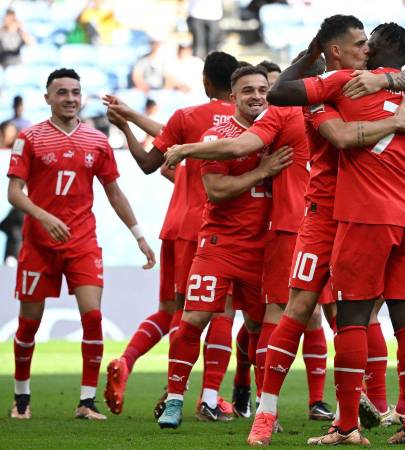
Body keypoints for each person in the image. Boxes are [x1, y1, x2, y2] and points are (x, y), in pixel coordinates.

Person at [266, 20, 405, 445]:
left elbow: (278, 94)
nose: (363, 50)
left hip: (366, 217)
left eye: (368, 45)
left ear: (376, 51)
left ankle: (348, 426)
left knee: (351, 321)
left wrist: (315, 52)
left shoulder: (347, 84)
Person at [7, 68, 155, 420]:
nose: (70, 98)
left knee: (92, 317)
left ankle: (86, 402)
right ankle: (21, 397)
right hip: (38, 244)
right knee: (29, 323)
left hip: (82, 242)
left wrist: (139, 236)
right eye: (62, 93)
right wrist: (44, 216)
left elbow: (114, 192)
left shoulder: (97, 142)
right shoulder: (29, 138)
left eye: (75, 92)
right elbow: (14, 193)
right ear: (47, 98)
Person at [102, 52, 240, 421]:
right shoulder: (249, 121)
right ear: (238, 83)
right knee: (222, 312)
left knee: (173, 312)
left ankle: (131, 363)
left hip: (176, 227)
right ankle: (208, 397)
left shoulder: (187, 118)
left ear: (206, 82)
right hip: (218, 231)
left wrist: (128, 125)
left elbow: (154, 164)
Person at [156, 65, 293, 430]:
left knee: (261, 327)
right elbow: (215, 190)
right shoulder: (218, 135)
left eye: (262, 89)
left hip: (265, 249)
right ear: (233, 97)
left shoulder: (278, 132)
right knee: (194, 319)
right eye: (247, 90)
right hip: (220, 244)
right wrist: (261, 172)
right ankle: (173, 401)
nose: (257, 96)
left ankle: (265, 408)